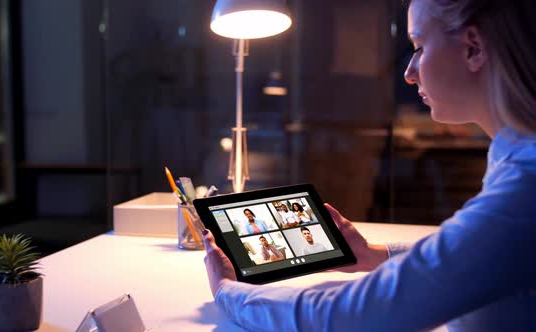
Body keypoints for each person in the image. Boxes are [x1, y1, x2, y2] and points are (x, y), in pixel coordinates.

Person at [202, 0, 536, 331]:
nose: (408, 73)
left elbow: (351, 316)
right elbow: (471, 257)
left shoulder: (524, 190)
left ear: (473, 49)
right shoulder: (515, 160)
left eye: (419, 46)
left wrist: (230, 292)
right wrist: (375, 255)